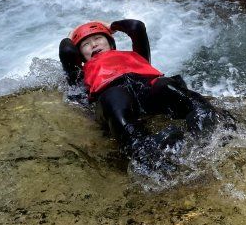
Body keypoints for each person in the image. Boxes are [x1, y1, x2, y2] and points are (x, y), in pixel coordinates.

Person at [59, 19, 224, 166]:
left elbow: (137, 27)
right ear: (80, 55)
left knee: (165, 84)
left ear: (111, 42)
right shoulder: (80, 72)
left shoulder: (137, 55)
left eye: (98, 38)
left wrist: (112, 26)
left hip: (146, 89)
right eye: (85, 44)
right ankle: (142, 147)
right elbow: (66, 51)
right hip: (113, 96)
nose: (94, 45)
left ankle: (204, 116)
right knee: (113, 97)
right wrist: (72, 34)